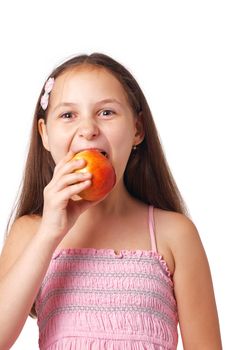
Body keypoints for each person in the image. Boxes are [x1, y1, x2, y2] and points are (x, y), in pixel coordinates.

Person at [0, 53, 222, 349]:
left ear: (137, 130)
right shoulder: (31, 232)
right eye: (68, 115)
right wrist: (50, 231)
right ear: (45, 134)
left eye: (106, 112)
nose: (88, 129)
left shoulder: (175, 234)